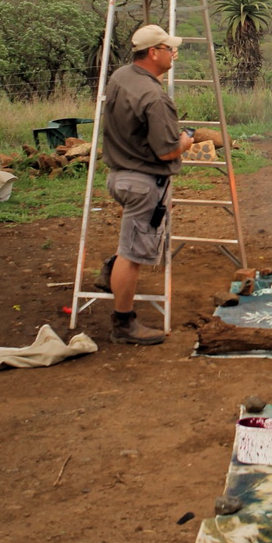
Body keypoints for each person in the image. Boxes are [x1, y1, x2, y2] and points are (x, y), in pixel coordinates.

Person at [98, 24, 194, 345]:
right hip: (143, 183)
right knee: (134, 253)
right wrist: (186, 140)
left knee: (131, 237)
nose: (174, 54)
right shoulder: (154, 97)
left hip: (119, 175)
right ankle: (123, 324)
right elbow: (166, 150)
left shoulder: (120, 77)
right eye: (169, 49)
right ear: (153, 53)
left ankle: (111, 270)